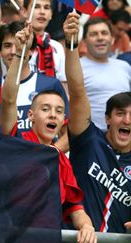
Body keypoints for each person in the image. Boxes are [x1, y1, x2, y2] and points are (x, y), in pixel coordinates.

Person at [0, 21, 96, 243]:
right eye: (45, 109)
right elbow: (8, 100)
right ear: (30, 116)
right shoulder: (15, 142)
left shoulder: (61, 159)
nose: (53, 115)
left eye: (59, 111)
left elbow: (75, 207)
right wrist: (19, 57)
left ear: (64, 120)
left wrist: (86, 225)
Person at [64, 11, 131, 233]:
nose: (127, 120)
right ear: (107, 118)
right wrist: (71, 44)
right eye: (120, 113)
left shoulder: (123, 67)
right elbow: (77, 91)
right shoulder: (89, 142)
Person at [0, 21, 69, 152]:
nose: (13, 51)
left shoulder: (51, 84)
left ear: (32, 50)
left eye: (19, 46)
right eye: (7, 46)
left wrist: (47, 156)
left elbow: (68, 133)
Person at [79, 17, 131, 130]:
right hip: (91, 137)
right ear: (84, 41)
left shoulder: (125, 66)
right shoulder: (76, 67)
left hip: (124, 134)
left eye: (104, 33)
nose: (100, 38)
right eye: (93, 34)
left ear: (112, 39)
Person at [24, 0, 67, 87]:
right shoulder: (17, 43)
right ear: (24, 12)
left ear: (51, 14)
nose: (42, 12)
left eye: (46, 8)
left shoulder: (57, 47)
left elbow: (63, 83)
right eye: (36, 7)